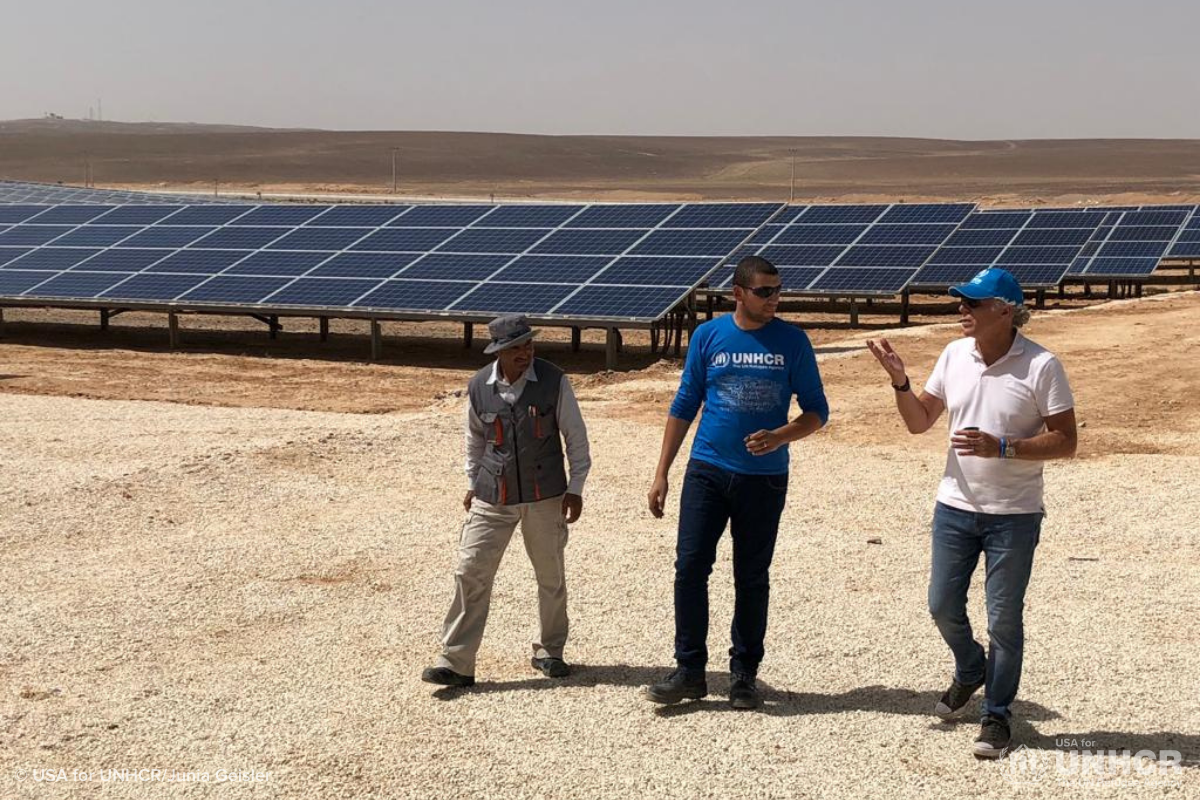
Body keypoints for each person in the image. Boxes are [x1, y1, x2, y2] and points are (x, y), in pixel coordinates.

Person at [866, 267, 1077, 758]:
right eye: (961, 301)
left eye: (973, 303)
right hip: (954, 508)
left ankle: (997, 716)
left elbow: (1066, 442)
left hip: (1014, 514)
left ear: (1005, 310)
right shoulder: (953, 354)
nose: (962, 309)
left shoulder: (1042, 365)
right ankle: (970, 668)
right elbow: (920, 423)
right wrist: (901, 382)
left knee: (1004, 618)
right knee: (941, 604)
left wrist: (1002, 447)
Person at [645, 255, 829, 709]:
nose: (774, 300)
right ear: (739, 294)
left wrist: (780, 436)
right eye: (765, 292)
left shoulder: (793, 341)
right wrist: (661, 471)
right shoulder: (708, 336)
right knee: (690, 568)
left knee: (751, 576)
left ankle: (744, 675)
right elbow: (686, 401)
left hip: (763, 479)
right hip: (706, 469)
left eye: (778, 291)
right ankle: (689, 670)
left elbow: (817, 412)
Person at [422, 314, 591, 687]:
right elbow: (475, 440)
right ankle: (456, 662)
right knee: (470, 570)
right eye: (517, 347)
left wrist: (576, 487)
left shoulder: (554, 380)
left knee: (550, 575)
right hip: (491, 493)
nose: (526, 352)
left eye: (529, 344)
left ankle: (550, 650)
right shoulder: (479, 385)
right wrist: (471, 482)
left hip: (544, 494)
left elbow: (575, 437)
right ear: (499, 351)